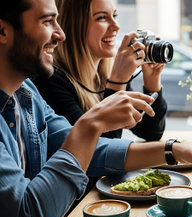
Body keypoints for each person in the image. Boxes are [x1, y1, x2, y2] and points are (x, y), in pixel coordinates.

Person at [0, 0, 192, 217]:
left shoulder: (28, 92)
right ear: (3, 31)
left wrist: (173, 150)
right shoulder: (50, 83)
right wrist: (90, 125)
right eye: (47, 21)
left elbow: (94, 152)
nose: (61, 34)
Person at [32, 0, 167, 141]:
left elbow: (151, 132)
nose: (116, 26)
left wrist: (152, 82)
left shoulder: (105, 74)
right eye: (102, 18)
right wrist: (117, 83)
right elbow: (101, 151)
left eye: (114, 16)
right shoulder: (51, 80)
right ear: (74, 27)